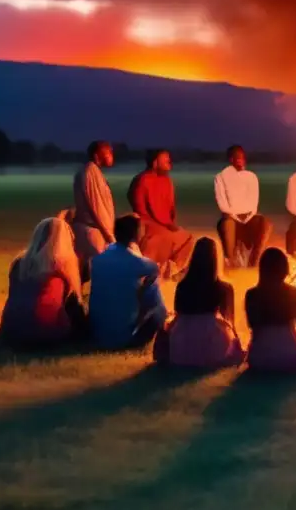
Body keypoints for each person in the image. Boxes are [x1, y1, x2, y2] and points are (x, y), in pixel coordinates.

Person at [153, 237, 244, 369]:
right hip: (213, 340)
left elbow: (178, 316)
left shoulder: (183, 285)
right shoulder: (224, 288)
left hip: (182, 341)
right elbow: (230, 322)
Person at [0, 215, 88, 348]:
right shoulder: (62, 264)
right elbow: (75, 301)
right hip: (45, 332)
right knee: (75, 307)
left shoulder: (19, 263)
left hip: (10, 330)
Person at [88, 214, 168, 350]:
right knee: (153, 287)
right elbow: (154, 269)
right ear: (136, 234)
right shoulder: (138, 263)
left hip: (97, 333)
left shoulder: (98, 260)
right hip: (124, 337)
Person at [127, 149, 194, 281]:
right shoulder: (142, 180)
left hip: (165, 224)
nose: (169, 162)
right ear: (155, 162)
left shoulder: (167, 181)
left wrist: (170, 223)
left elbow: (170, 209)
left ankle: (174, 270)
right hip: (147, 224)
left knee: (187, 238)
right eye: (165, 159)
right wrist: (162, 224)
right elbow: (140, 209)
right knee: (157, 237)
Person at [214, 145, 272, 268]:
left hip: (249, 218)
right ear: (231, 159)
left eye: (241, 157)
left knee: (265, 223)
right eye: (236, 157)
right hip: (231, 218)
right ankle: (231, 262)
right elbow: (222, 203)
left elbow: (254, 201)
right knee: (227, 224)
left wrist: (247, 216)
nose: (239, 159)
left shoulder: (252, 177)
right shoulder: (220, 177)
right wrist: (235, 216)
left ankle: (254, 261)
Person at [72, 140, 116, 279]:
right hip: (93, 231)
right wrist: (109, 235)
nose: (111, 155)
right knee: (103, 270)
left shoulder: (93, 171)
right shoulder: (90, 172)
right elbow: (96, 207)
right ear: (97, 156)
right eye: (108, 152)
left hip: (96, 230)